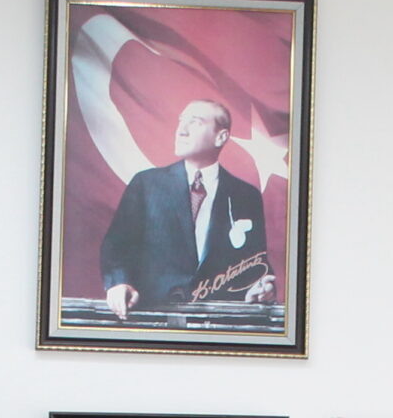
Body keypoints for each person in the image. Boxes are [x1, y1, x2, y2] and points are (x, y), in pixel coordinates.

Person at [100, 99, 276, 317]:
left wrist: (260, 289)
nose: (181, 130)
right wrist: (119, 283)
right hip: (153, 317)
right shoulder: (145, 184)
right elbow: (116, 247)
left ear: (221, 137)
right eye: (181, 121)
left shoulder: (246, 195)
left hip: (218, 322)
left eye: (195, 122)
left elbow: (255, 263)